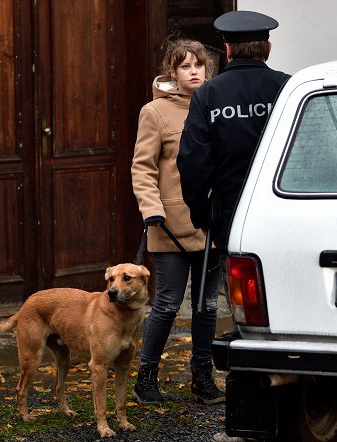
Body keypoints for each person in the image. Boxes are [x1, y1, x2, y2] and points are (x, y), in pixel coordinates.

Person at [131, 38, 224, 405]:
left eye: (199, 65)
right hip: (169, 225)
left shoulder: (217, 105)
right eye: (185, 66)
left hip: (211, 225)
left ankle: (202, 377)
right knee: (168, 304)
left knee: (207, 305)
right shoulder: (154, 111)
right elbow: (143, 167)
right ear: (172, 71)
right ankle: (146, 377)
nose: (194, 71)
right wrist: (151, 208)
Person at [177, 11, 291, 252]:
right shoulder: (288, 87)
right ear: (268, 48)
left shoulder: (208, 95)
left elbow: (193, 163)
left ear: (228, 50)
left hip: (232, 212)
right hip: (285, 209)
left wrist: (202, 215)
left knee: (240, 287)